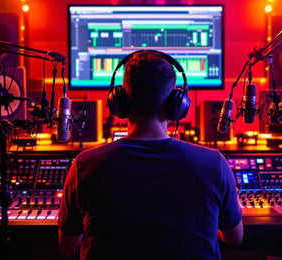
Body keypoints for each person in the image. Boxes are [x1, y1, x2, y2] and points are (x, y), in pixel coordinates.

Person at [58, 50, 243, 259]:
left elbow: (67, 246)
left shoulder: (84, 165)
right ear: (177, 105)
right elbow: (234, 238)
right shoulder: (214, 163)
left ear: (120, 103)